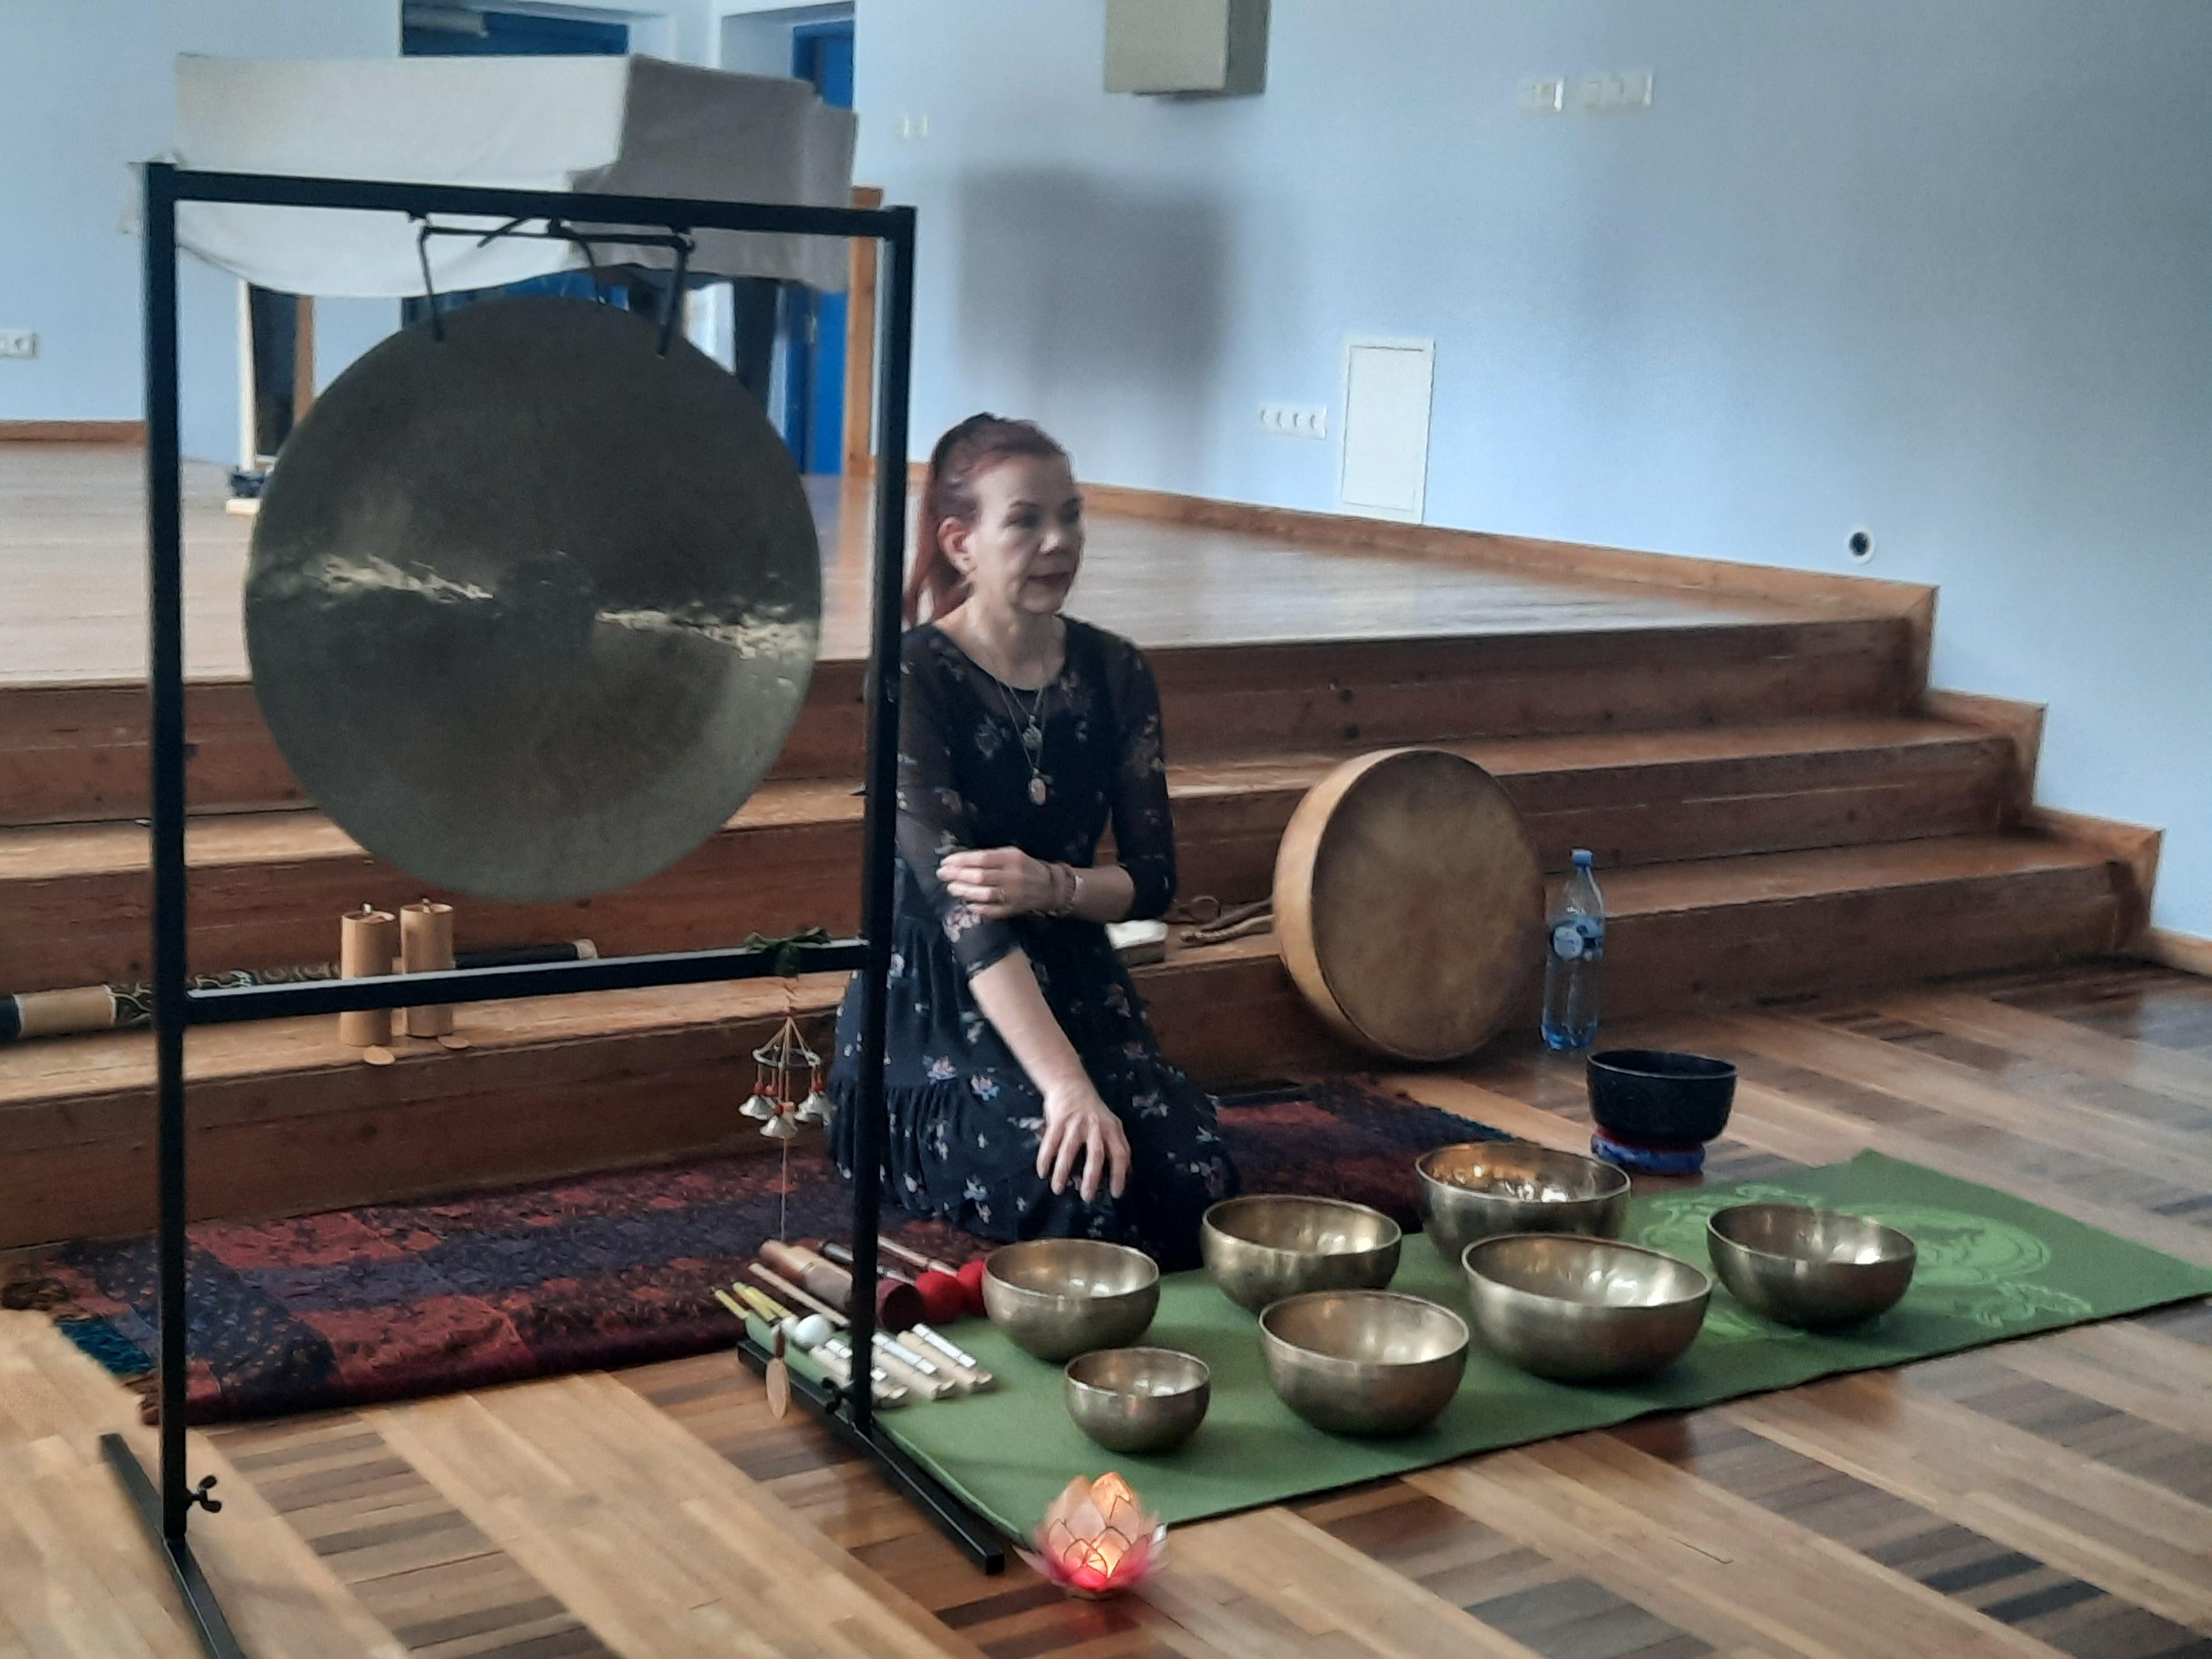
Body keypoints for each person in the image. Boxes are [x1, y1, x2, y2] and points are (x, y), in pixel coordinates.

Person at [826, 414, 1238, 1269]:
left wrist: (1057, 886)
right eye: (1025, 521)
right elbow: (966, 917)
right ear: (961, 543)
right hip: (945, 1001)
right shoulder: (913, 674)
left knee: (1195, 1180)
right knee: (1082, 1198)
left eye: (1071, 515)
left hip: (1080, 979)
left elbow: (1155, 879)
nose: (1060, 542)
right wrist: (1066, 1086)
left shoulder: (1117, 670)